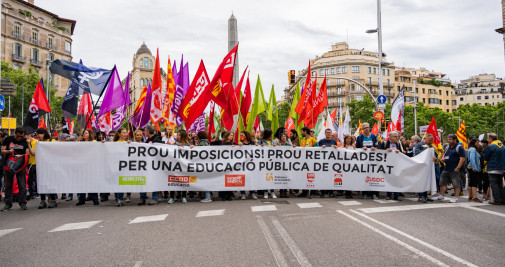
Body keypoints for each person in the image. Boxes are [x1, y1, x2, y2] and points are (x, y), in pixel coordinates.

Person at [26, 128, 57, 209]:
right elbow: (33, 153)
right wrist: (28, 144)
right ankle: (42, 201)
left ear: (43, 134)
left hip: (50, 166)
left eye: (38, 134)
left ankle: (53, 200)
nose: (37, 136)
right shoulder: (38, 143)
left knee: (51, 183)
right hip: (41, 166)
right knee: (41, 184)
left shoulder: (52, 141)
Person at [1, 127, 29, 211]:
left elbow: (27, 153)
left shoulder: (25, 141)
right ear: (15, 133)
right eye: (18, 136)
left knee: (22, 185)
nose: (20, 138)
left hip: (21, 165)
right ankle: (8, 203)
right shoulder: (8, 139)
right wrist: (9, 151)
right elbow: (2, 150)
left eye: (22, 136)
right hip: (8, 164)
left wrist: (21, 156)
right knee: (8, 185)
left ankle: (23, 202)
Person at [438, 134, 465, 203]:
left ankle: (456, 197)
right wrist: (442, 159)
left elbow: (462, 159)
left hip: (454, 169)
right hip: (446, 168)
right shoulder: (447, 147)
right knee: (442, 183)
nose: (448, 141)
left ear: (455, 140)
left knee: (456, 184)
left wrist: (458, 167)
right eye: (448, 139)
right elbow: (443, 156)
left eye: (450, 139)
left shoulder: (459, 148)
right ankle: (441, 195)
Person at [76, 129, 100, 206]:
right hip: (82, 165)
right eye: (83, 133)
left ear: (89, 134)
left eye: (86, 133)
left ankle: (95, 199)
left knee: (92, 182)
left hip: (91, 165)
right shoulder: (80, 142)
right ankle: (81, 199)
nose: (84, 134)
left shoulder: (94, 142)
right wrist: (77, 141)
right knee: (81, 182)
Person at [379, 131, 405, 200]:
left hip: (396, 164)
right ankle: (389, 195)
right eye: (395, 136)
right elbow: (379, 152)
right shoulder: (384, 143)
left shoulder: (399, 144)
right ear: (390, 137)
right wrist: (386, 150)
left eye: (397, 136)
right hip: (388, 164)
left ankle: (396, 195)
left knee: (396, 179)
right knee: (389, 179)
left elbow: (403, 153)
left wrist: (399, 151)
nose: (397, 138)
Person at [140, 126, 162, 205]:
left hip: (154, 164)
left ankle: (155, 198)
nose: (144, 133)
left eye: (145, 131)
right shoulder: (148, 140)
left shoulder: (157, 140)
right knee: (143, 181)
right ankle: (142, 198)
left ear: (147, 132)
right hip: (146, 164)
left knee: (154, 181)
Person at [356, 122, 379, 199]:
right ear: (362, 129)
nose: (367, 129)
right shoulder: (359, 137)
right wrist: (362, 148)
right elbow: (357, 148)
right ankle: (364, 193)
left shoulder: (373, 136)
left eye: (368, 127)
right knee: (364, 177)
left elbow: (377, 146)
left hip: (372, 160)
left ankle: (373, 193)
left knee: (373, 176)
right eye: (365, 128)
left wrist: (374, 148)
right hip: (363, 160)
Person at [414, 134, 439, 203]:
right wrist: (427, 152)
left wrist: (435, 158)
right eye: (429, 140)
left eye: (432, 140)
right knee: (421, 181)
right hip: (421, 166)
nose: (431, 141)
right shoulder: (419, 145)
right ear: (425, 139)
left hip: (429, 167)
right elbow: (416, 153)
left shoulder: (431, 146)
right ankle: (420, 196)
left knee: (427, 181)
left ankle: (425, 196)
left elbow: (435, 155)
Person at [168, 130, 190, 204]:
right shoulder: (174, 145)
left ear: (183, 137)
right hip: (174, 166)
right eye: (177, 135)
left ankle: (183, 196)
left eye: (179, 135)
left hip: (183, 167)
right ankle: (172, 197)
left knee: (183, 181)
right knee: (173, 181)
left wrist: (192, 147)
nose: (177, 136)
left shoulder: (187, 146)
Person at [482, 133, 505, 205]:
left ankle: (497, 200)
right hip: (502, 167)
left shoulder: (491, 146)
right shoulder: (503, 146)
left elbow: (485, 157)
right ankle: (503, 199)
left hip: (493, 167)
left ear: (490, 138)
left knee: (494, 184)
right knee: (500, 184)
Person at [298, 127, 317, 197]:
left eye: (302, 131)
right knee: (303, 176)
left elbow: (317, 149)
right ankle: (304, 191)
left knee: (312, 175)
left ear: (305, 132)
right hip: (304, 161)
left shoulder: (313, 140)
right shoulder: (302, 140)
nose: (301, 133)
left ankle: (313, 191)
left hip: (312, 161)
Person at [238, 131, 258, 200]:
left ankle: (252, 192)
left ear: (246, 135)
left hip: (251, 164)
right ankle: (242, 193)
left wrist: (258, 146)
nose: (241, 136)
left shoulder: (252, 143)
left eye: (242, 135)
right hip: (243, 165)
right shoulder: (240, 144)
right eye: (240, 135)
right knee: (243, 179)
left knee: (251, 179)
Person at [467, 138, 482, 203]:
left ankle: (470, 196)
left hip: (471, 167)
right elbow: (472, 159)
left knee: (471, 182)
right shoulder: (473, 149)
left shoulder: (470, 149)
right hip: (473, 168)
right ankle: (474, 197)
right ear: (474, 143)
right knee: (474, 182)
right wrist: (474, 167)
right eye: (477, 142)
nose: (478, 144)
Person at [343, 135, 355, 199]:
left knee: (351, 179)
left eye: (349, 139)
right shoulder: (343, 146)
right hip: (346, 165)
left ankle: (350, 193)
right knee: (347, 179)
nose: (348, 140)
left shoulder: (353, 146)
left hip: (352, 165)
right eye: (347, 139)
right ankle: (347, 193)